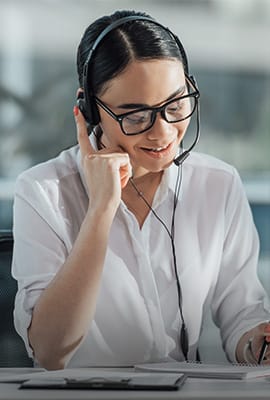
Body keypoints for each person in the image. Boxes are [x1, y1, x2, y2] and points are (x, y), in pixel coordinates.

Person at [12, 9, 270, 371]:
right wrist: (101, 209)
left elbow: (242, 315)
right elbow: (50, 352)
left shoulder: (218, 183)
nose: (163, 133)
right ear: (88, 110)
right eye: (135, 116)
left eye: (176, 106)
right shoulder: (42, 193)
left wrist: (257, 342)